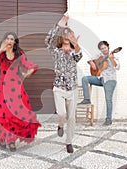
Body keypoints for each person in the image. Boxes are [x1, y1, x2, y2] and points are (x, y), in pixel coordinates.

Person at [0, 32, 41, 152]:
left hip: (16, 89)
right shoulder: (1, 55)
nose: (9, 40)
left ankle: (11, 140)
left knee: (14, 115)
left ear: (14, 42)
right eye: (7, 38)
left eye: (11, 39)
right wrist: (0, 50)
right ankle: (2, 138)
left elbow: (28, 65)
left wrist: (29, 72)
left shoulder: (19, 54)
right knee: (3, 114)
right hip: (3, 89)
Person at [45, 15, 82, 153]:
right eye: (65, 34)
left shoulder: (74, 53)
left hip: (72, 89)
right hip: (59, 88)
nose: (67, 36)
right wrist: (59, 25)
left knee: (71, 118)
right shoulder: (56, 52)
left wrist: (76, 44)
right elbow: (48, 41)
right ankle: (60, 125)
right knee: (61, 114)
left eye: (69, 34)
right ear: (62, 37)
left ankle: (69, 142)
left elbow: (79, 56)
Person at [79, 41, 120, 126]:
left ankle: (108, 119)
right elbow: (89, 59)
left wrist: (111, 59)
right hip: (101, 79)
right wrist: (92, 63)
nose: (104, 50)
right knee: (85, 79)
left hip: (110, 80)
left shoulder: (114, 57)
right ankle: (87, 99)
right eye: (102, 48)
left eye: (105, 48)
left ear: (108, 47)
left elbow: (117, 67)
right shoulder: (99, 55)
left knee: (108, 100)